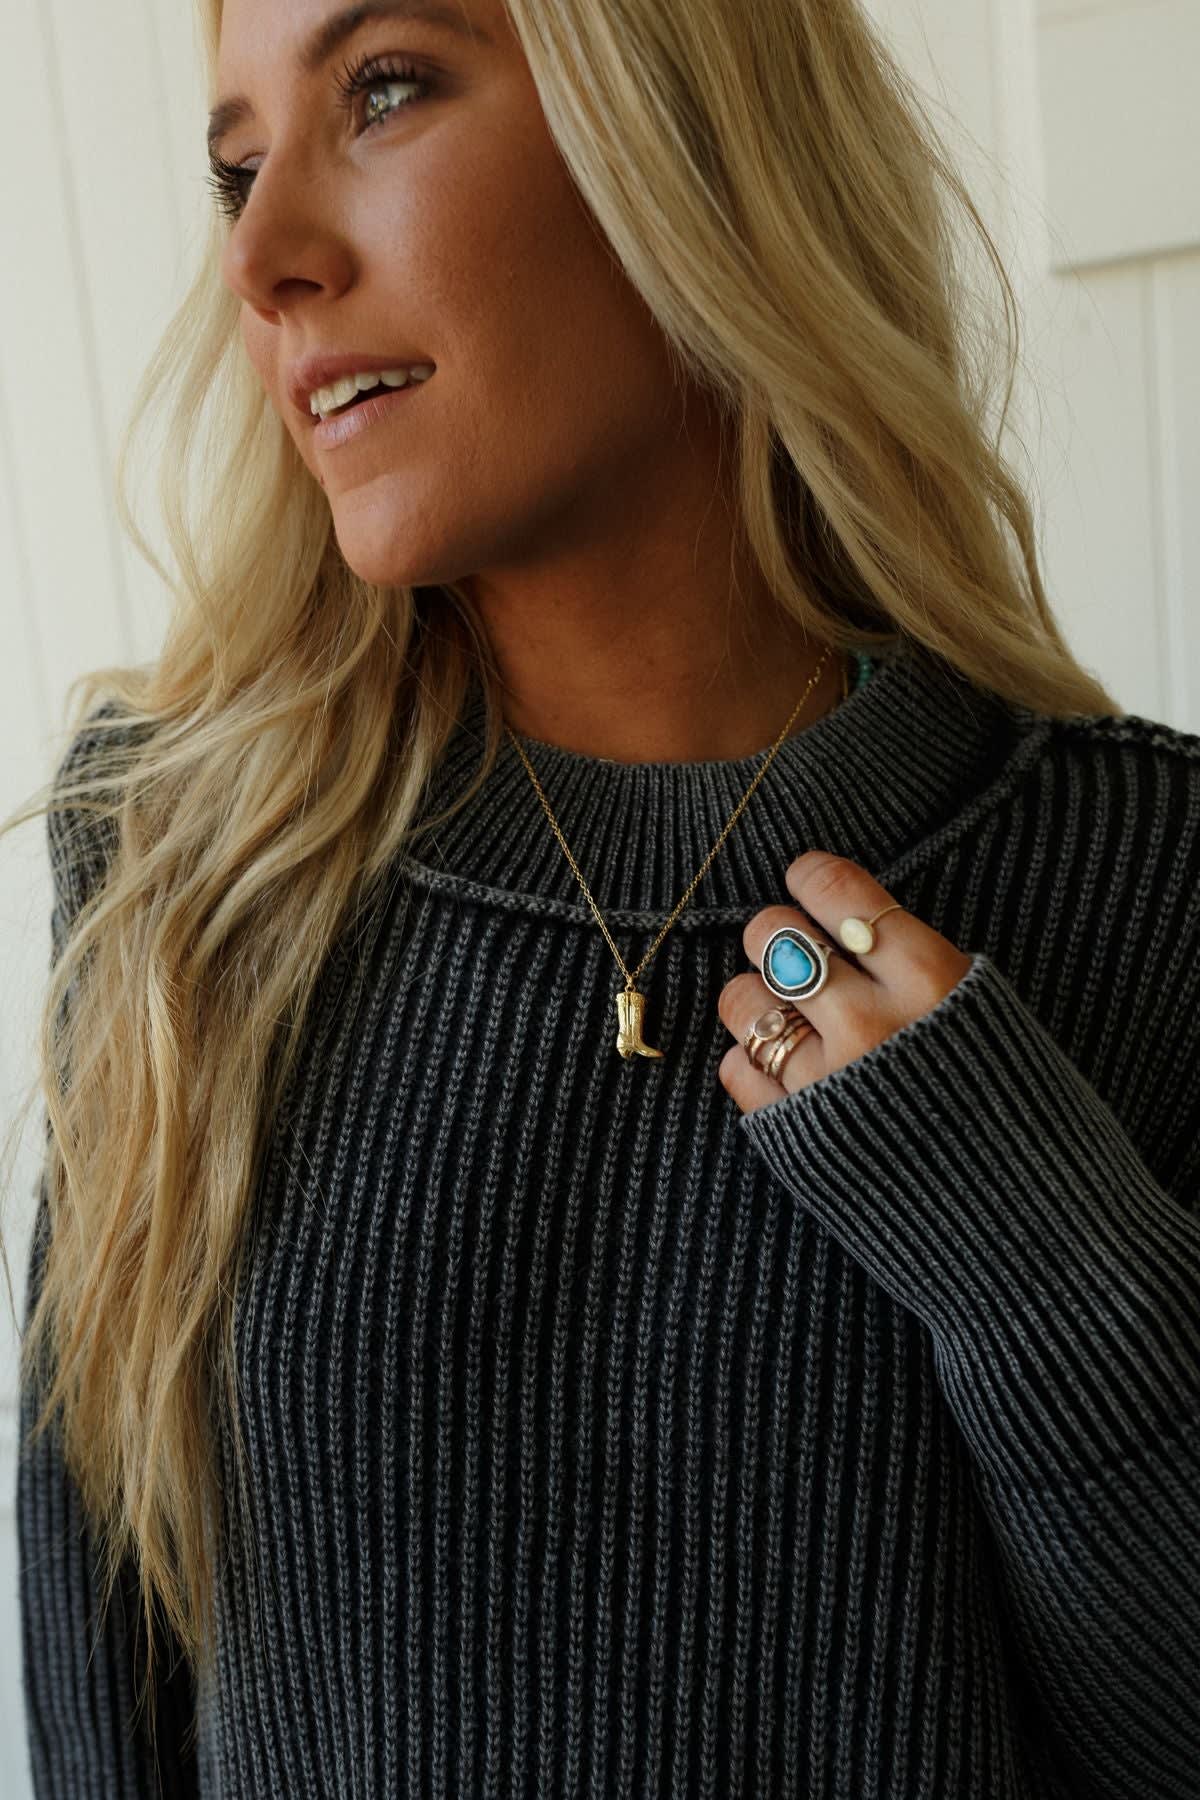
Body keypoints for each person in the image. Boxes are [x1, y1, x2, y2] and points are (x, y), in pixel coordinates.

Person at [8, 0, 1198, 1793]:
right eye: (235, 171)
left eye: (384, 91)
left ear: (691, 128)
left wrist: (1038, 1261)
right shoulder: (179, 873)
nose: (260, 259)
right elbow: (111, 1698)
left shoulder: (1145, 879)